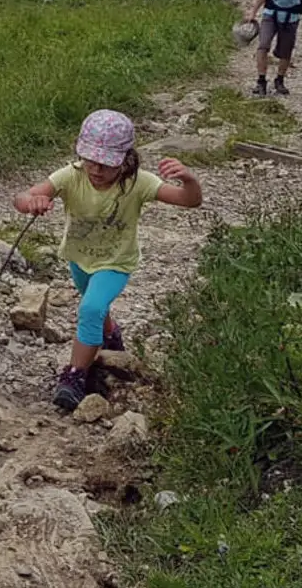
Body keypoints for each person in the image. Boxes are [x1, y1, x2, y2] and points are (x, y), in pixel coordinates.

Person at [14, 110, 202, 412]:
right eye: (91, 160)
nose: (97, 169)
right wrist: (32, 202)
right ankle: (110, 334)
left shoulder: (139, 183)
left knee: (90, 307)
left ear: (125, 159)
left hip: (116, 263)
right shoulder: (71, 175)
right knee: (95, 307)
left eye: (106, 163)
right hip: (79, 259)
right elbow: (23, 197)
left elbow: (189, 200)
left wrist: (189, 180)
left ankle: (75, 375)